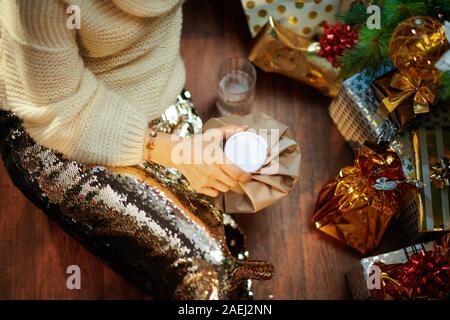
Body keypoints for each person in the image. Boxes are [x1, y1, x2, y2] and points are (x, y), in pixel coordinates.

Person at [0, 0, 251, 197]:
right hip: (64, 130)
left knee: (216, 207)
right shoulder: (33, 5)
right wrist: (174, 150)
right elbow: (58, 109)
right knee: (205, 257)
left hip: (156, 90)